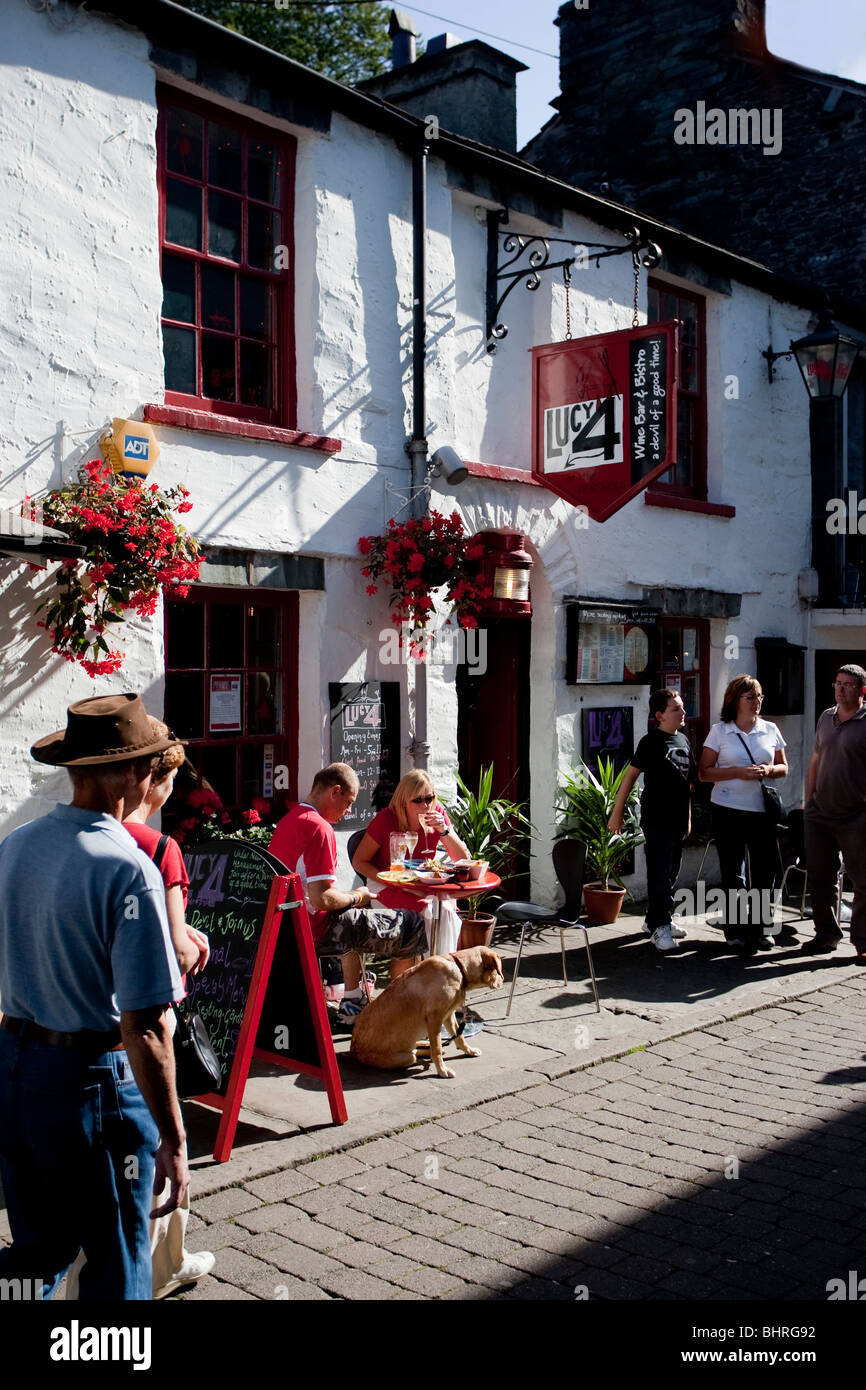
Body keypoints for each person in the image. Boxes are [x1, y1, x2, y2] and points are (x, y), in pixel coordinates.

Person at [0, 694, 188, 1300]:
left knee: (38, 1250)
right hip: (92, 1082)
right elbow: (149, 1026)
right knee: (116, 1261)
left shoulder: (16, 846)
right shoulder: (127, 867)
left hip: (16, 1067)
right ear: (134, 772)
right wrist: (174, 1139)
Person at [64, 718, 215, 1300]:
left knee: (64, 1214)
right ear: (154, 777)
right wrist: (190, 941)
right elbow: (168, 959)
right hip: (122, 1037)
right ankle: (145, 1272)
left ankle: (157, 1263)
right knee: (147, 1163)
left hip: (40, 1052)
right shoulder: (151, 850)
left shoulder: (38, 842)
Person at [268, 764, 426, 1026]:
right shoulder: (319, 828)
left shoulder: (289, 820)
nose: (349, 810)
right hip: (312, 928)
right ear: (335, 791)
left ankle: (353, 999)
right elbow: (323, 899)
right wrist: (358, 896)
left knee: (353, 916)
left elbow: (314, 892)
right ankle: (401, 1014)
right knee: (412, 924)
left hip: (287, 923)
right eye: (349, 802)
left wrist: (351, 899)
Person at [699, 675, 788, 954]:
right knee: (733, 873)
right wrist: (737, 772)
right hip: (728, 809)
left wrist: (767, 771)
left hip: (762, 811)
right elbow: (704, 772)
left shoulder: (770, 729)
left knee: (765, 871)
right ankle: (735, 929)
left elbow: (784, 767)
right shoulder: (720, 731)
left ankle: (762, 928)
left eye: (759, 697)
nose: (756, 702)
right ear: (735, 700)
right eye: (750, 697)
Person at [608, 690, 696, 953]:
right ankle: (661, 926)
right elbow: (630, 776)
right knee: (659, 872)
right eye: (676, 709)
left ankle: (654, 920)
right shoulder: (651, 742)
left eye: (682, 708)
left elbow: (686, 783)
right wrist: (617, 811)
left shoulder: (683, 739)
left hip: (678, 818)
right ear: (659, 715)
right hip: (657, 817)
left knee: (671, 871)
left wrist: (688, 817)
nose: (683, 713)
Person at [352, 767, 471, 937]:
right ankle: (430, 961)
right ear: (403, 802)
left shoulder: (438, 815)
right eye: (418, 800)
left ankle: (442, 960)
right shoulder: (386, 819)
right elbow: (359, 861)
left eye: (429, 798)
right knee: (429, 911)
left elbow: (463, 859)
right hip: (386, 883)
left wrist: (444, 830)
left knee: (447, 910)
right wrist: (389, 880)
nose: (426, 805)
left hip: (420, 883)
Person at [800, 663, 866, 959]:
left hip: (856, 814)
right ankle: (826, 934)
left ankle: (863, 942)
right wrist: (808, 798)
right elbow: (816, 757)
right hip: (820, 812)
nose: (841, 689)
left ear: (862, 690)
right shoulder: (827, 717)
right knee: (820, 876)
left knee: (862, 879)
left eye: (848, 685)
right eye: (837, 683)